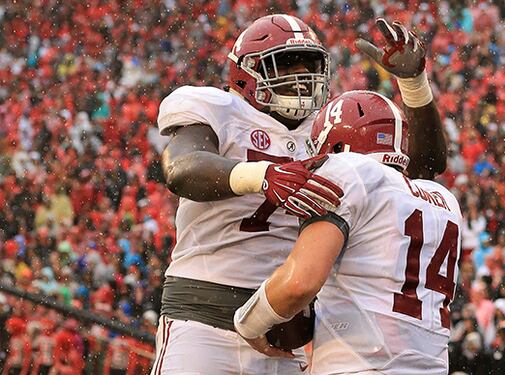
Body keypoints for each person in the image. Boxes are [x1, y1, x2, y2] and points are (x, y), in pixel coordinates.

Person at [154, 14, 447, 374]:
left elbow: (419, 169)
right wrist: (262, 175)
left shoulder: (327, 129)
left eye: (310, 65)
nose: (301, 78)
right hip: (204, 315)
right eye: (287, 64)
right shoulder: (220, 109)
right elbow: (181, 169)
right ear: (247, 72)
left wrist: (414, 85)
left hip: (282, 326)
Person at [234, 89, 461, 374]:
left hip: (360, 364)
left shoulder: (347, 169)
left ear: (336, 145)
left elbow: (299, 283)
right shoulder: (444, 199)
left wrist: (248, 321)